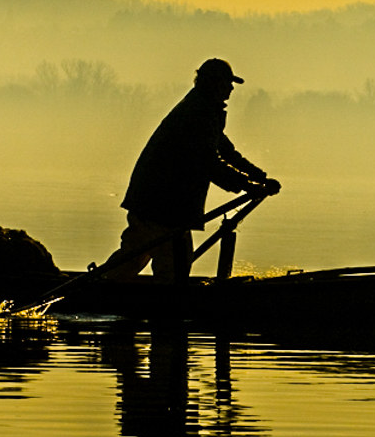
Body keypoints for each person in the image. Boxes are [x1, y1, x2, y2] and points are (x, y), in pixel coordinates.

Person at [105, 58, 280, 282]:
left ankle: (99, 291)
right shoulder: (197, 113)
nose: (231, 88)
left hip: (154, 203)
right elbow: (208, 162)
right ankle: (116, 298)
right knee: (172, 272)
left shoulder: (204, 110)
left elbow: (225, 150)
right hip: (163, 207)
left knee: (130, 261)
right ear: (214, 84)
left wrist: (258, 176)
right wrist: (247, 186)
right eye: (227, 83)